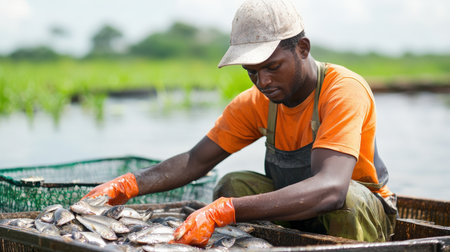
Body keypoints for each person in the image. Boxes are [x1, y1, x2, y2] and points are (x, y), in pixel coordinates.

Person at [83, 0, 398, 246]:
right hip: (301, 211)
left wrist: (226, 210)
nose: (263, 81)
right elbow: (196, 161)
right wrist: (129, 184)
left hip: (359, 216)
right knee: (233, 184)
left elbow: (330, 188)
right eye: (252, 72)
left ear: (302, 49)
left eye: (273, 66)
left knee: (348, 198)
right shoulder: (257, 102)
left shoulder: (342, 90)